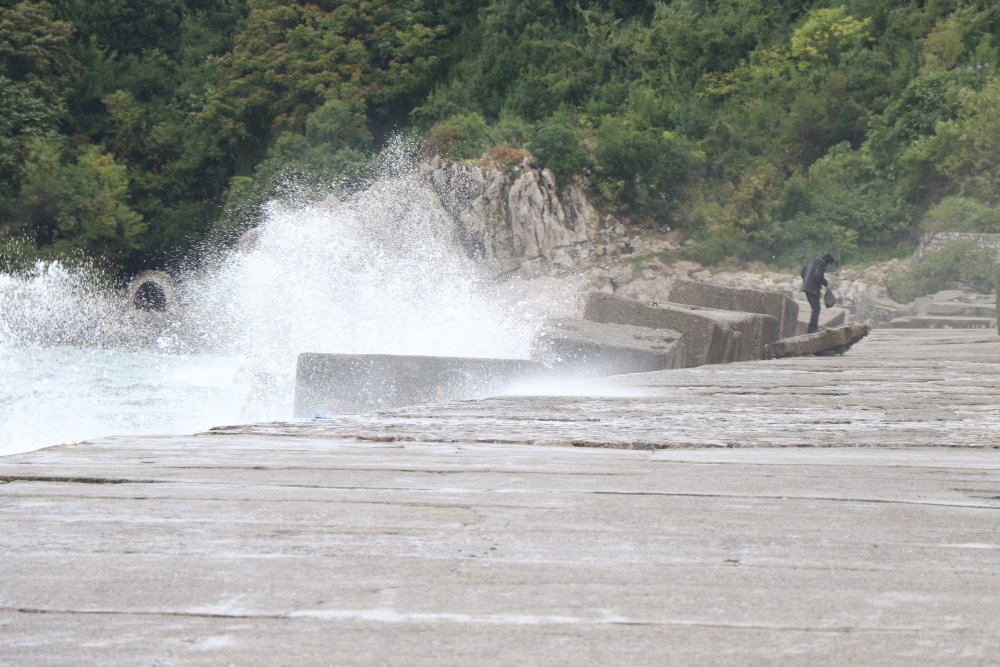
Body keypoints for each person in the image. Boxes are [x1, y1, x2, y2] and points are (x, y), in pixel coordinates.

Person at [801, 253, 836, 334]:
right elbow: (818, 275)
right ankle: (812, 329)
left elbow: (803, 271)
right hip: (812, 289)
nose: (827, 266)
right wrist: (826, 284)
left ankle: (812, 328)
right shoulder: (822, 262)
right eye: (829, 264)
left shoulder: (813, 262)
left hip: (806, 288)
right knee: (816, 309)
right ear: (828, 261)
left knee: (815, 309)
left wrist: (806, 280)